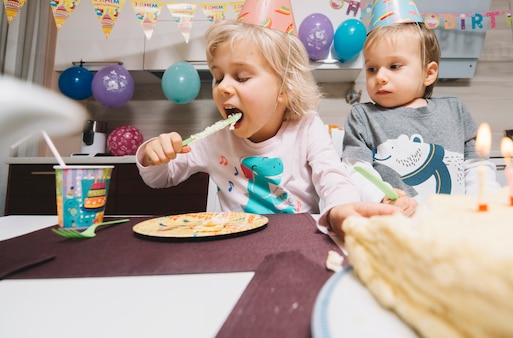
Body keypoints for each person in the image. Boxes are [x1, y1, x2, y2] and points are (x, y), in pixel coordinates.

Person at [136, 20, 416, 236]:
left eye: (241, 77)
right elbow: (161, 178)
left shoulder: (306, 128)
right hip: (237, 242)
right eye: (218, 77)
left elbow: (332, 176)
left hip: (301, 239)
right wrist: (152, 153)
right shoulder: (215, 140)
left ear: (284, 89)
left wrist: (340, 210)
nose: (223, 87)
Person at [342, 0, 499, 204]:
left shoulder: (455, 112)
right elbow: (356, 169)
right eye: (371, 68)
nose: (379, 76)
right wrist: (382, 197)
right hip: (397, 225)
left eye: (394, 66)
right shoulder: (362, 116)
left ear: (429, 73)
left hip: (453, 225)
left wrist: (485, 202)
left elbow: (477, 166)